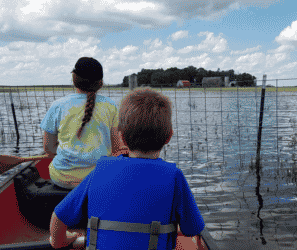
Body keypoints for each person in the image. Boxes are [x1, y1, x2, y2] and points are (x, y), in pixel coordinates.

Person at [49, 87, 207, 249]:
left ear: (122, 137)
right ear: (168, 137)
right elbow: (192, 230)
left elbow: (58, 217)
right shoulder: (174, 176)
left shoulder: (100, 171)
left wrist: (59, 241)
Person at [41, 57, 123, 189]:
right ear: (100, 83)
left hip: (62, 177)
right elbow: (116, 149)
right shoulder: (111, 106)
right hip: (99, 178)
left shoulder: (57, 106)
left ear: (74, 79)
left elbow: (48, 149)